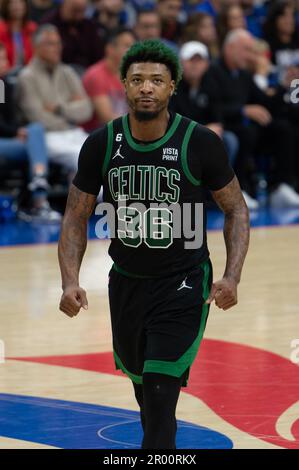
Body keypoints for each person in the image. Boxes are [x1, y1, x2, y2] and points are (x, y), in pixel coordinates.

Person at [58, 39, 250, 449]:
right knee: (146, 396)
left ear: (172, 87)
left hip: (182, 284)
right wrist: (69, 279)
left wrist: (232, 276)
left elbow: (236, 209)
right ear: (123, 86)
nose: (147, 88)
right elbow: (76, 216)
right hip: (126, 283)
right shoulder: (102, 144)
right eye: (138, 80)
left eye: (157, 81)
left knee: (161, 395)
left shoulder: (199, 142)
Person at [201, 28, 299, 208]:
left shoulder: (244, 75)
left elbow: (264, 101)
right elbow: (213, 108)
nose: (250, 56)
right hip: (224, 127)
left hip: (247, 129)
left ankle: (281, 186)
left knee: (283, 128)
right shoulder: (213, 72)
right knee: (245, 133)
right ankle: (238, 189)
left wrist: (283, 85)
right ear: (230, 48)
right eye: (246, 50)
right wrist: (242, 110)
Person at [17, 24, 92, 176]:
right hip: (47, 136)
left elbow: (87, 109)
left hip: (73, 131)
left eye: (58, 43)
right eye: (50, 44)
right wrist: (71, 113)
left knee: (102, 152)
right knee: (79, 155)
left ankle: (113, 197)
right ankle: (106, 199)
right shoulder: (26, 76)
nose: (57, 48)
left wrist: (60, 109)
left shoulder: (67, 72)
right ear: (37, 47)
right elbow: (37, 117)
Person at [0, 42, 60, 222]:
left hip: (7, 141)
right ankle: (38, 193)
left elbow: (10, 119)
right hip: (3, 141)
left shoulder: (3, 85)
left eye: (5, 58)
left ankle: (39, 184)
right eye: (0, 59)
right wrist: (15, 131)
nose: (4, 62)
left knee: (35, 130)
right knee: (34, 138)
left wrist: (18, 130)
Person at [170, 40, 239, 166]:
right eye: (191, 60)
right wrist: (201, 130)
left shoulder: (212, 85)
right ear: (180, 63)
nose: (195, 65)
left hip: (204, 133)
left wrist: (213, 129)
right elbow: (172, 121)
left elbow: (217, 119)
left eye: (199, 60)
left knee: (229, 139)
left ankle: (220, 183)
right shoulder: (172, 87)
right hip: (179, 135)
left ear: (207, 64)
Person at [82, 27, 135, 131]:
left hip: (123, 129)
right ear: (110, 48)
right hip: (97, 134)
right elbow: (106, 117)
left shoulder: (129, 74)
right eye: (127, 46)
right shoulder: (96, 75)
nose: (132, 51)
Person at [40, 0, 103, 71]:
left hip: (88, 73)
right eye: (75, 10)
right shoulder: (49, 23)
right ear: (65, 5)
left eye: (81, 11)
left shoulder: (88, 26)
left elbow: (98, 57)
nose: (78, 15)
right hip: (56, 71)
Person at [0, 0, 37, 71]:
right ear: (6, 6)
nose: (17, 6)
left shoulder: (32, 29)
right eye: (13, 3)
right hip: (5, 74)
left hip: (29, 73)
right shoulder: (1, 29)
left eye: (20, 2)